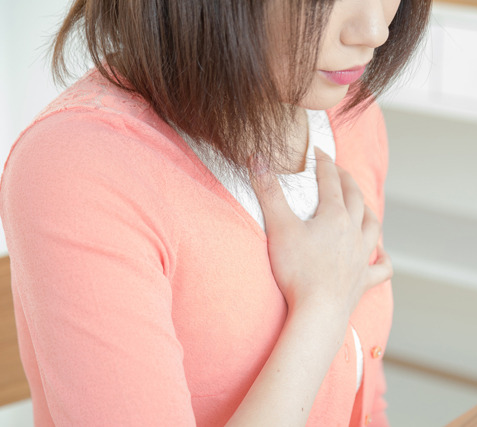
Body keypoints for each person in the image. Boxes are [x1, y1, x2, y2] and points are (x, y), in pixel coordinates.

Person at [0, 0, 430, 425]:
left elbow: (364, 397)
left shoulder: (348, 113)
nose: (375, 31)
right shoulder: (82, 171)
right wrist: (324, 308)